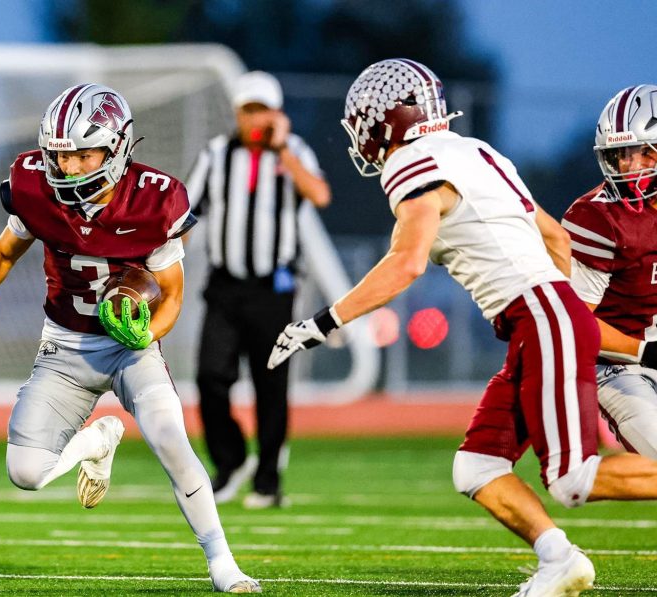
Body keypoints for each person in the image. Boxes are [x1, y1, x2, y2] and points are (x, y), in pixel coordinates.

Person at [267, 58, 657, 597]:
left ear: (388, 120)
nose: (360, 134)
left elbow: (406, 263)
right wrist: (558, 311)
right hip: (541, 318)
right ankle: (560, 560)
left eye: (363, 121)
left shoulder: (409, 162)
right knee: (476, 467)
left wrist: (323, 321)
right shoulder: (477, 151)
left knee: (572, 479)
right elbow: (556, 240)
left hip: (541, 316)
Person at [0, 83, 260, 593]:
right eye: (60, 155)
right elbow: (4, 251)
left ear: (116, 148)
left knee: (171, 440)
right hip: (65, 347)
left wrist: (145, 333)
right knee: (25, 471)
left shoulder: (155, 199)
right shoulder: (34, 185)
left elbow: (172, 295)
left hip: (129, 350)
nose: (68, 167)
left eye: (82, 155)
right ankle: (97, 440)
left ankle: (223, 563)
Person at [185, 70, 330, 509]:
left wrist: (282, 149)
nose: (254, 118)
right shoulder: (216, 153)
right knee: (210, 377)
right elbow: (187, 211)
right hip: (224, 286)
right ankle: (230, 461)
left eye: (261, 110)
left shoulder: (294, 151)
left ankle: (268, 480)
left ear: (276, 113)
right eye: (247, 110)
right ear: (237, 112)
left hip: (273, 288)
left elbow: (320, 195)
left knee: (271, 384)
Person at [563, 85, 657, 459]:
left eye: (644, 153)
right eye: (621, 155)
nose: (629, 167)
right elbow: (573, 321)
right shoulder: (597, 218)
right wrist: (645, 351)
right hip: (619, 367)